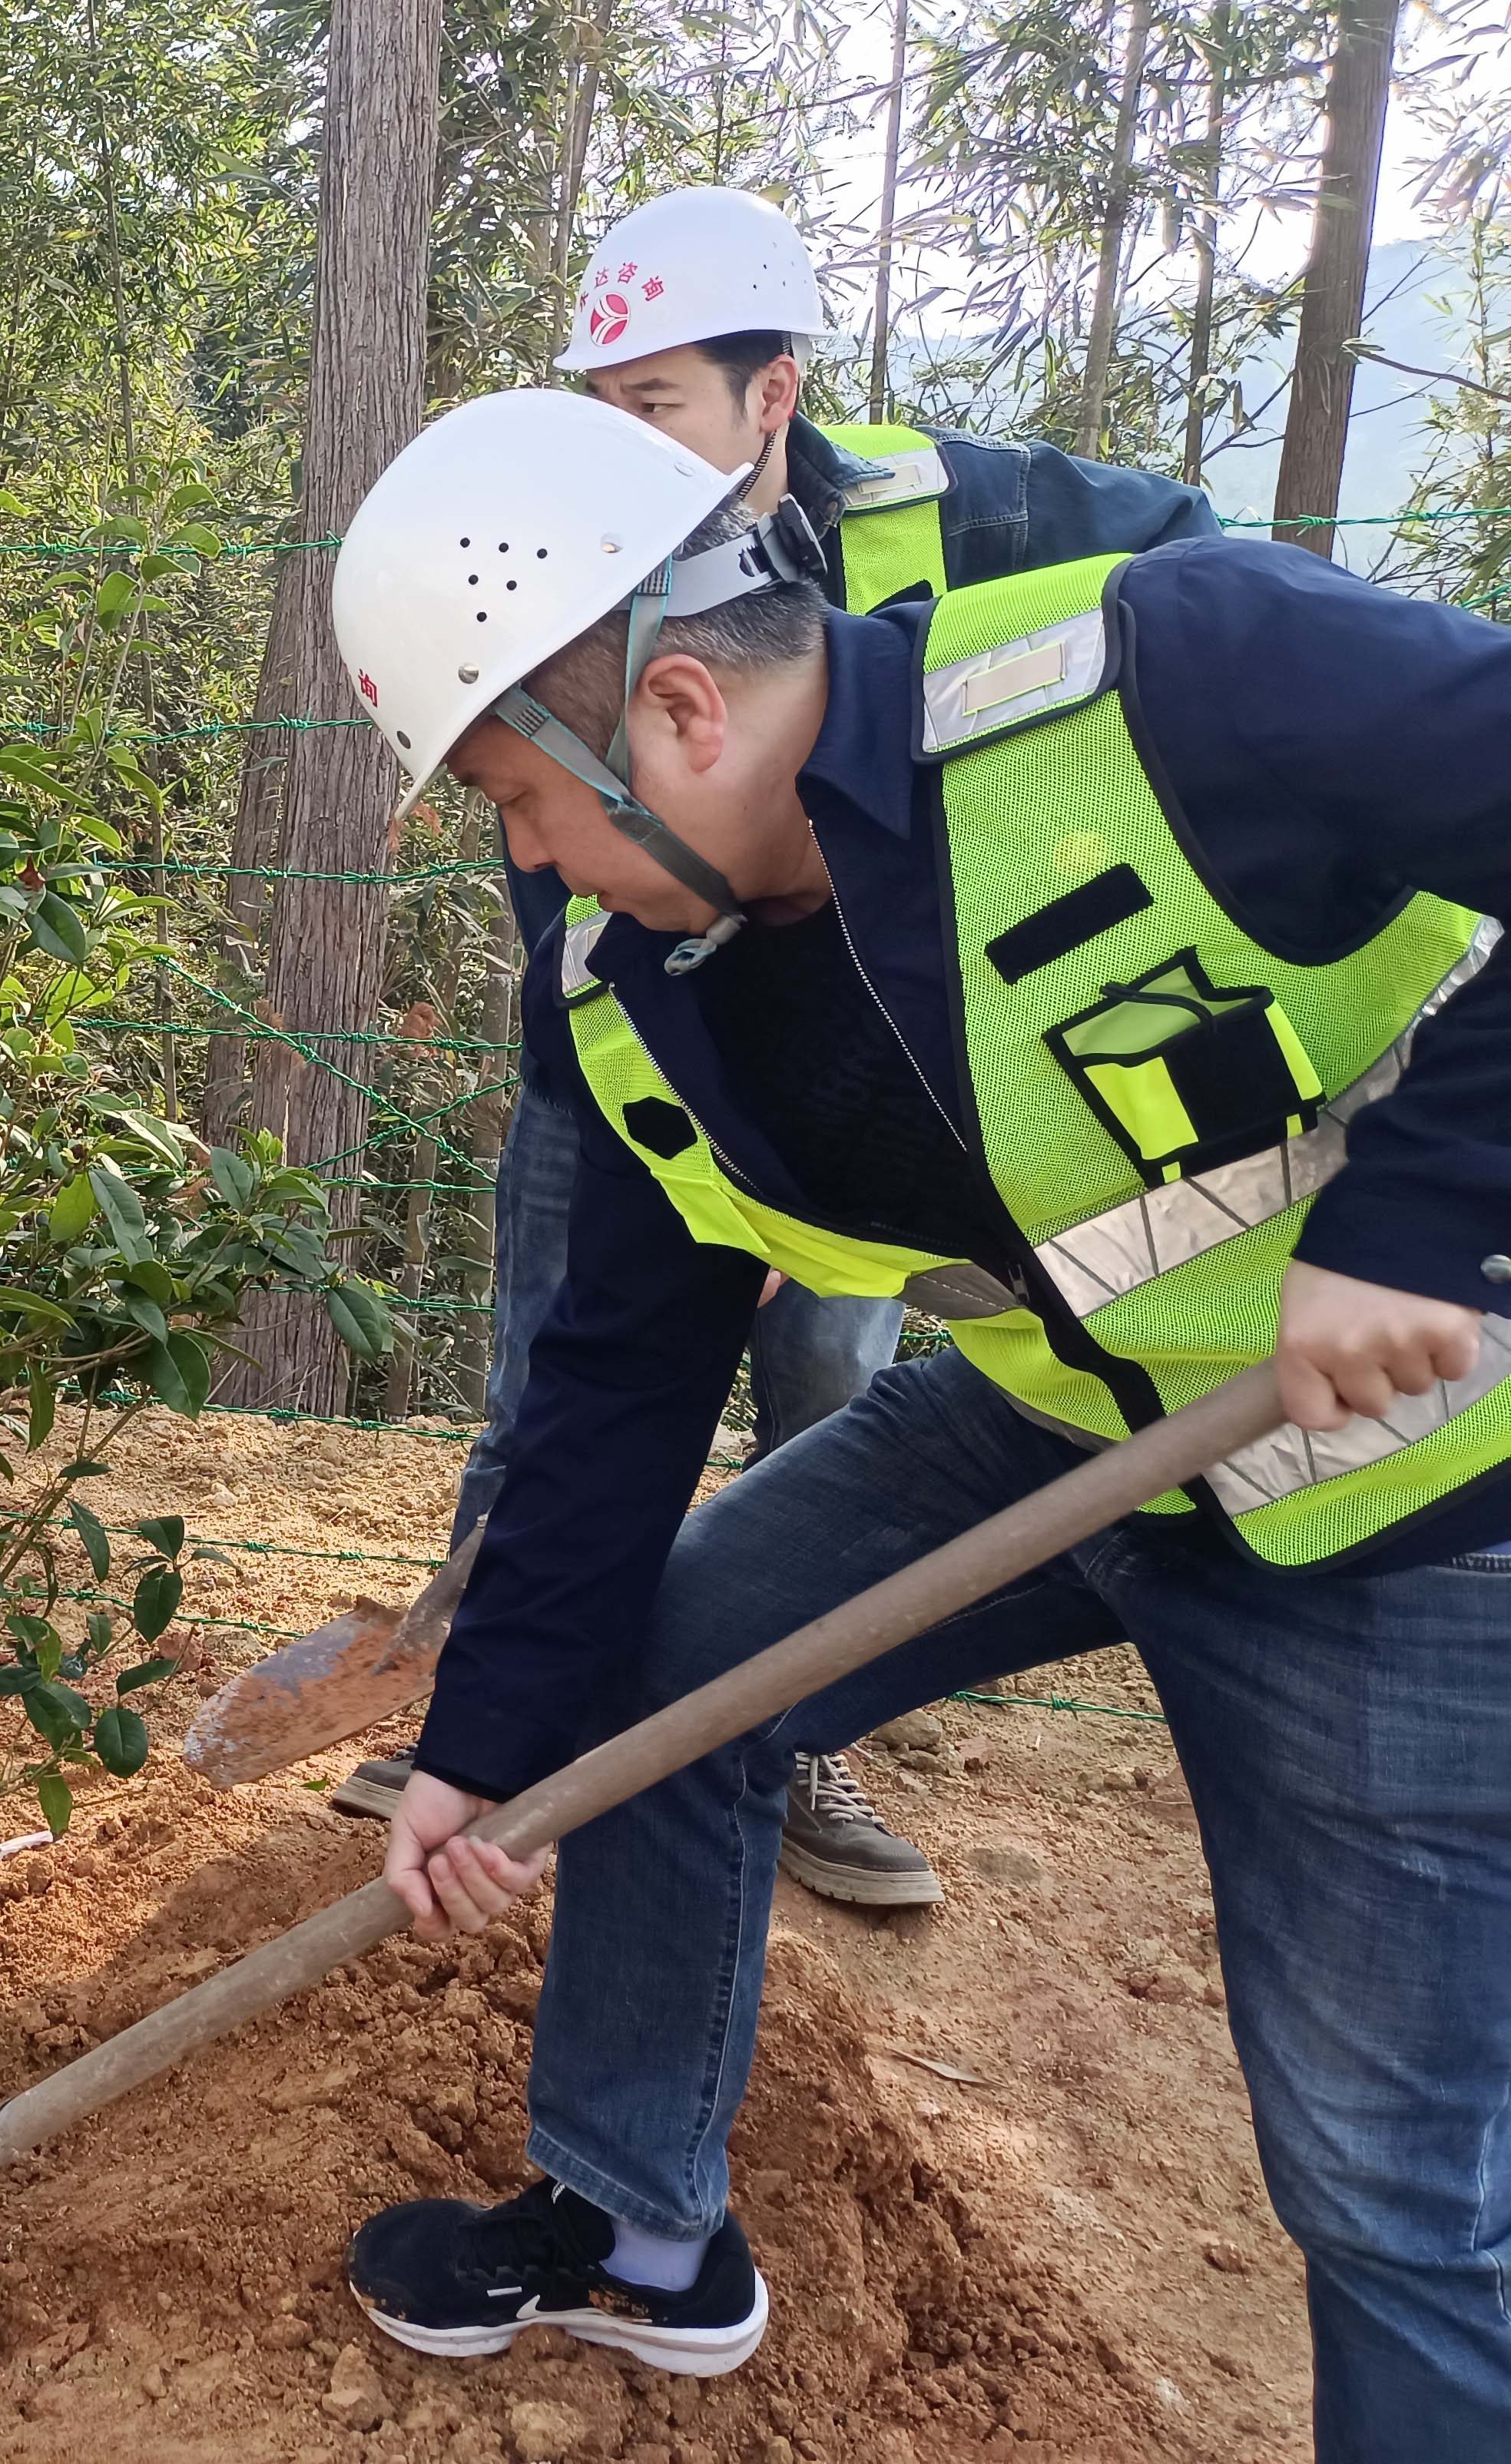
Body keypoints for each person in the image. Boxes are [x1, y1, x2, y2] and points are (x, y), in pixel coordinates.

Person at [327, 386, 1511, 2452]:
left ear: (678, 711)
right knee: (668, 1679)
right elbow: (619, 1377)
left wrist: (1426, 1214)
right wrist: (488, 1745)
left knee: (1381, 2174)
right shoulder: (630, 981)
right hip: (1058, 1431)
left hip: (1405, 1498)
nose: (525, 860)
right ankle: (641, 2233)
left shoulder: (1171, 678)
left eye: (519, 798)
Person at [340, 186, 1221, 1913]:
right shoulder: (571, 578)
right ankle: (496, 1704)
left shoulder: (961, 522)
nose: (629, 448)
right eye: (606, 408)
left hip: (929, 1066)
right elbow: (572, 881)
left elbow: (1203, 611)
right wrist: (699, 1154)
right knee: (570, 1369)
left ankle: (793, 1733)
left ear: (773, 396)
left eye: (660, 403)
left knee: (827, 1386)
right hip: (650, 1043)